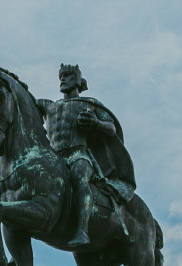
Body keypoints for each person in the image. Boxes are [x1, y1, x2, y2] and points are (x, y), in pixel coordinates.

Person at [37, 64, 136, 249]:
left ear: (77, 80)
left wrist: (96, 123)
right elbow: (20, 98)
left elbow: (111, 128)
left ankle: (82, 229)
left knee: (79, 176)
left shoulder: (89, 103)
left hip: (79, 154)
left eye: (67, 75)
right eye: (61, 76)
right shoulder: (49, 106)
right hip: (54, 158)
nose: (63, 79)